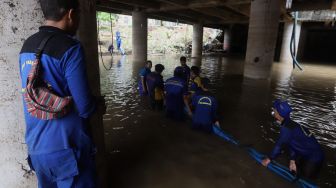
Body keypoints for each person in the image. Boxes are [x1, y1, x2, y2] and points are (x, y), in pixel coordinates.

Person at [19, 0, 101, 187]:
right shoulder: (71, 47)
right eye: (79, 14)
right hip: (68, 150)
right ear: (71, 14)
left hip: (37, 147)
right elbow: (85, 107)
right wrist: (98, 103)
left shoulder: (27, 46)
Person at [262, 100, 324, 180]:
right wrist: (292, 160)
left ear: (278, 115)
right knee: (294, 171)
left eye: (274, 110)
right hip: (306, 151)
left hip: (315, 157)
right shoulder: (290, 124)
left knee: (306, 179)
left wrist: (269, 159)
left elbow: (279, 146)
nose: (273, 111)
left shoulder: (286, 129)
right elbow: (292, 143)